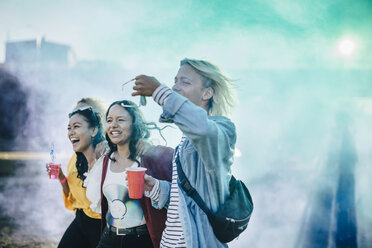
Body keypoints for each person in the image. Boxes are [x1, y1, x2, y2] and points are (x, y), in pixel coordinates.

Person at [132, 58, 237, 248]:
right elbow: (186, 201)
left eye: (185, 82)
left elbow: (202, 129)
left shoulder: (222, 131)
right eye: (175, 81)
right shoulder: (185, 140)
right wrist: (156, 188)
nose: (175, 87)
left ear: (207, 93)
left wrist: (158, 90)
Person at [84, 100, 173, 248]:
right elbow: (95, 200)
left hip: (141, 240)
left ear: (135, 124)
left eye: (121, 120)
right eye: (109, 120)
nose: (113, 125)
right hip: (109, 237)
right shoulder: (106, 160)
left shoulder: (149, 156)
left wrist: (150, 147)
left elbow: (176, 190)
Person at [47, 98, 107, 248]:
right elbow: (72, 197)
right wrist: (60, 176)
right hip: (81, 218)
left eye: (84, 113)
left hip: (102, 223)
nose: (71, 131)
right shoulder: (75, 159)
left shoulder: (107, 153)